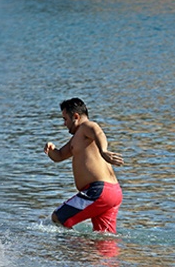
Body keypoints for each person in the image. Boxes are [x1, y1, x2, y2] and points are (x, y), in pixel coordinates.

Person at [43, 98, 124, 234]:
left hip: (98, 191)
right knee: (104, 237)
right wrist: (51, 150)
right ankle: (98, 254)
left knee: (58, 218)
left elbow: (98, 132)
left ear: (75, 116)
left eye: (65, 119)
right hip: (113, 192)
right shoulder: (76, 140)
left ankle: (76, 251)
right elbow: (59, 156)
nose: (64, 124)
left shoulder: (87, 127)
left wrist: (103, 151)